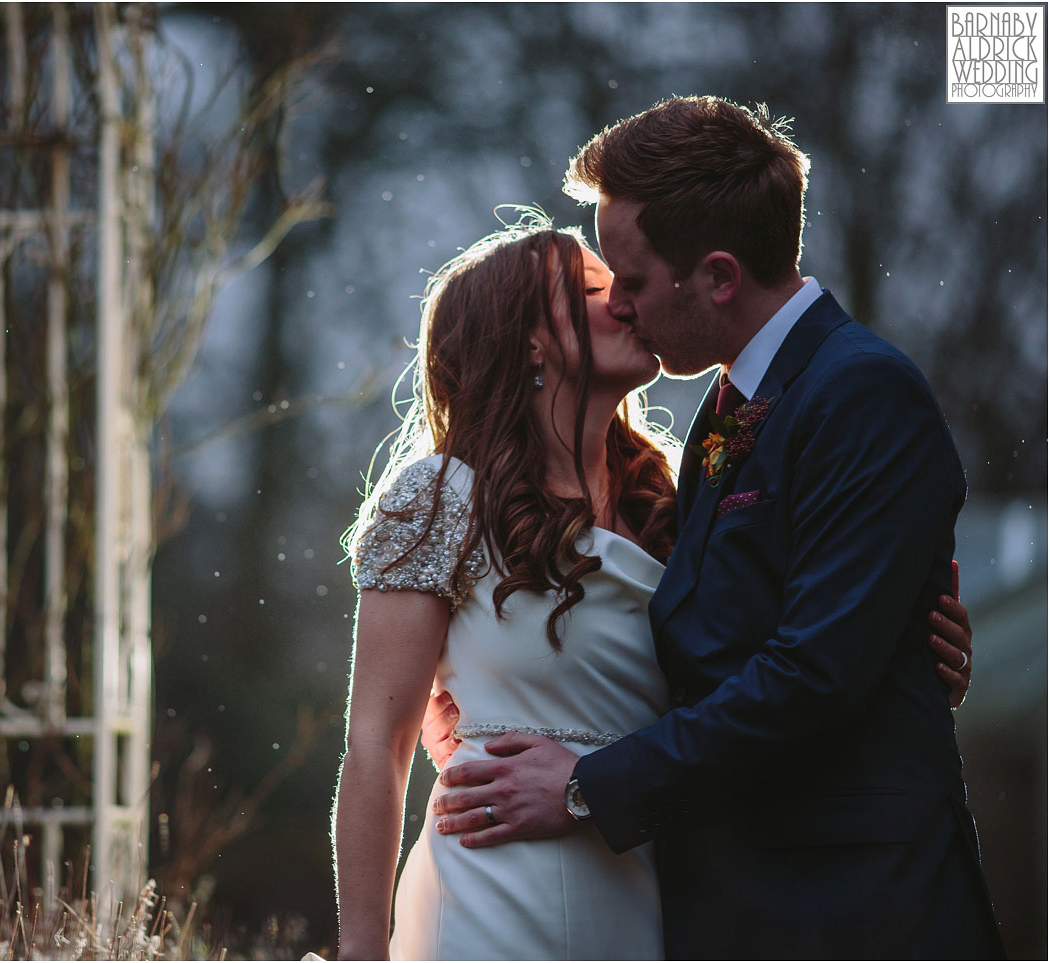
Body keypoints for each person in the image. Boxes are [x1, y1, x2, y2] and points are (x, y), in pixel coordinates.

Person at [421, 97, 1003, 958]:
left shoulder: (862, 392)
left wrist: (585, 785)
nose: (619, 302)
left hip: (856, 903)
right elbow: (720, 634)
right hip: (730, 898)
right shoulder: (722, 417)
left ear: (719, 277)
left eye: (633, 278)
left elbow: (811, 675)